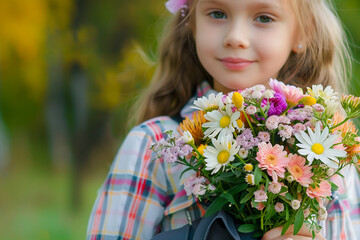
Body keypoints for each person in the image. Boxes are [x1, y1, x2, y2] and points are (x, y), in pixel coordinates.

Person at [87, 0, 360, 239]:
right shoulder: (153, 146)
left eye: (264, 17)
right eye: (217, 13)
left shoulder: (331, 156)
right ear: (191, 23)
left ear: (303, 32)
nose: (235, 37)